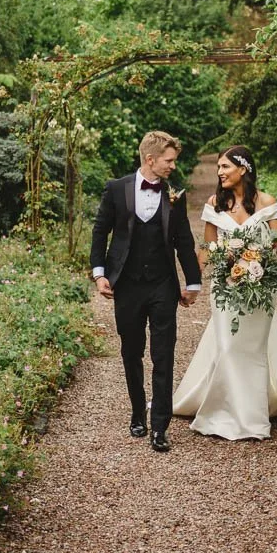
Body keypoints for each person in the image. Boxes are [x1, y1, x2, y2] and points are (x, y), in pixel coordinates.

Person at [174, 146, 277, 439]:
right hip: (225, 288)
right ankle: (228, 413)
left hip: (259, 287)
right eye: (218, 167)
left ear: (243, 169)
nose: (220, 172)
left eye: (225, 167)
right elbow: (206, 250)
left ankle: (251, 417)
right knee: (228, 348)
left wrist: (259, 260)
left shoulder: (267, 202)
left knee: (252, 350)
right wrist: (194, 285)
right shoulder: (216, 203)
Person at [90, 131, 203, 453]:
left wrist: (192, 283)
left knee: (164, 355)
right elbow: (100, 232)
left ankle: (160, 427)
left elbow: (184, 241)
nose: (173, 166)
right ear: (150, 159)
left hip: (163, 286)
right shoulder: (116, 189)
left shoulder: (175, 196)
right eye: (169, 161)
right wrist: (100, 274)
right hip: (125, 285)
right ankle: (138, 412)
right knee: (131, 351)